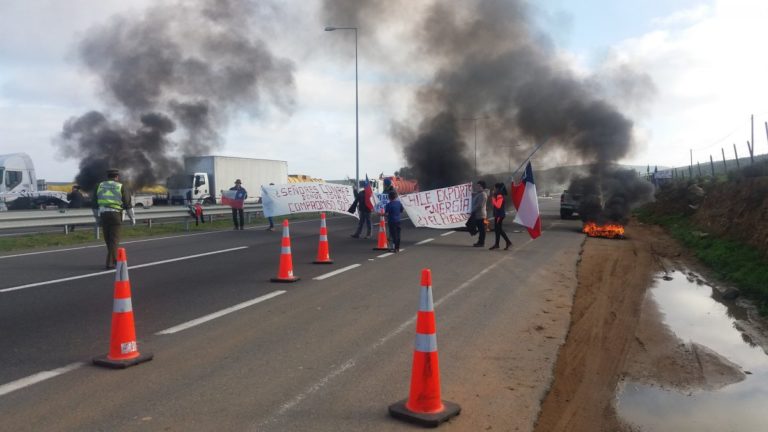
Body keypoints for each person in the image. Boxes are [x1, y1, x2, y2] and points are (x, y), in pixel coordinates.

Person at [92, 169, 134, 269]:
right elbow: (128, 204)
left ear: (108, 176)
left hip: (103, 214)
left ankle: (111, 261)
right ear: (117, 177)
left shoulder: (99, 186)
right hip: (116, 215)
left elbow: (94, 204)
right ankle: (112, 263)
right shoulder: (121, 186)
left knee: (108, 240)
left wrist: (97, 218)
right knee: (114, 240)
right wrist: (132, 218)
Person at [489, 182, 512, 250]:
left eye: (494, 187)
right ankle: (497, 244)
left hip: (499, 215)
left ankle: (508, 242)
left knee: (499, 229)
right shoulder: (498, 195)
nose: (493, 189)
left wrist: (493, 198)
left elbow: (498, 206)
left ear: (497, 188)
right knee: (497, 230)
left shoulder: (499, 195)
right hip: (498, 215)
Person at [470, 180, 488, 247]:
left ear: (482, 187)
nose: (477, 187)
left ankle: (481, 242)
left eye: (478, 186)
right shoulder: (479, 193)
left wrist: (472, 211)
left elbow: (479, 205)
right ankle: (480, 242)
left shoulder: (483, 194)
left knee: (481, 230)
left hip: (480, 215)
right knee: (480, 229)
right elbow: (472, 194)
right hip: (478, 215)